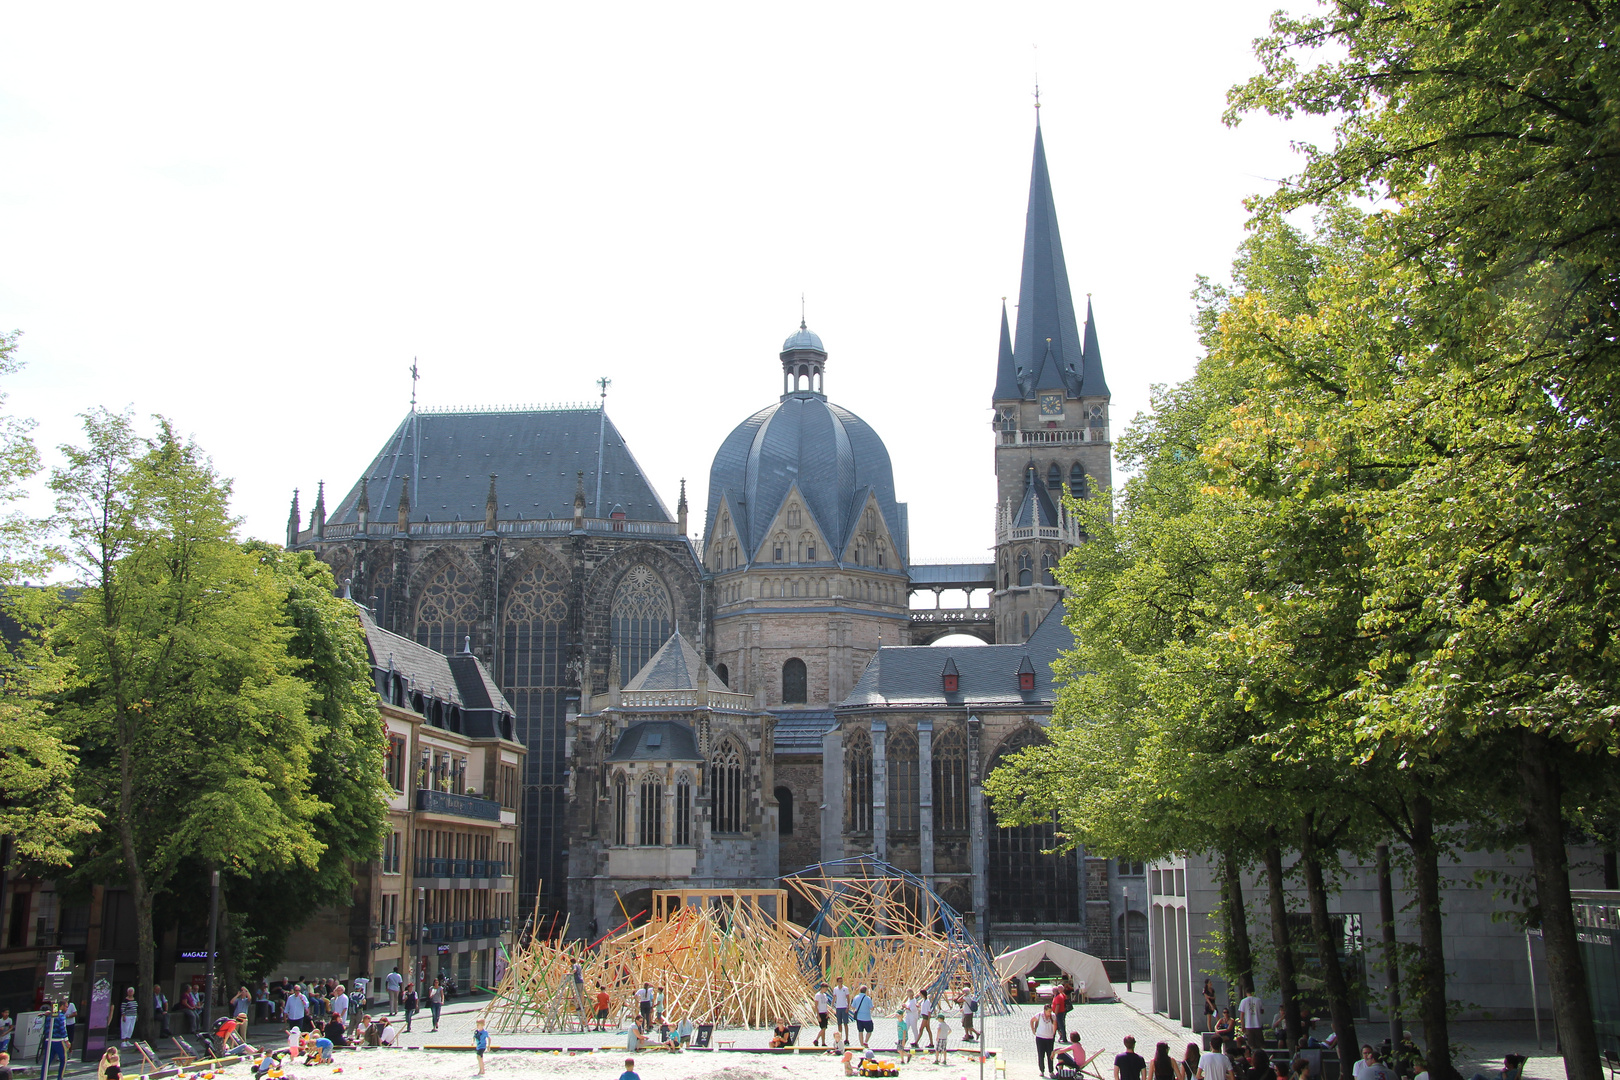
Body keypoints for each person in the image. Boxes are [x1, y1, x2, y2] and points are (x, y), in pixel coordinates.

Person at [1031, 1003, 1058, 1078]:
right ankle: (1042, 1070)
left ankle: (1051, 1071)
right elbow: (1032, 1020)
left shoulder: (1053, 1016)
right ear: (1045, 1010)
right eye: (1049, 1011)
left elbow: (1055, 1024)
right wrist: (1033, 1030)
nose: (1050, 1013)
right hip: (1040, 1038)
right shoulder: (1039, 1015)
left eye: (1051, 1011)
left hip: (1049, 1038)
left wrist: (1053, 1033)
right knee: (1041, 1054)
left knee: (1050, 1055)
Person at [834, 978, 851, 1042]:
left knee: (846, 1023)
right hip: (838, 1007)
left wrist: (848, 1007)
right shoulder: (835, 989)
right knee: (839, 1023)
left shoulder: (845, 989)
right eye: (839, 981)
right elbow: (834, 997)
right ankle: (840, 1038)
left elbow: (848, 998)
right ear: (837, 982)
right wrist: (832, 1006)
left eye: (842, 981)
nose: (841, 982)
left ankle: (846, 1038)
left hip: (844, 1007)